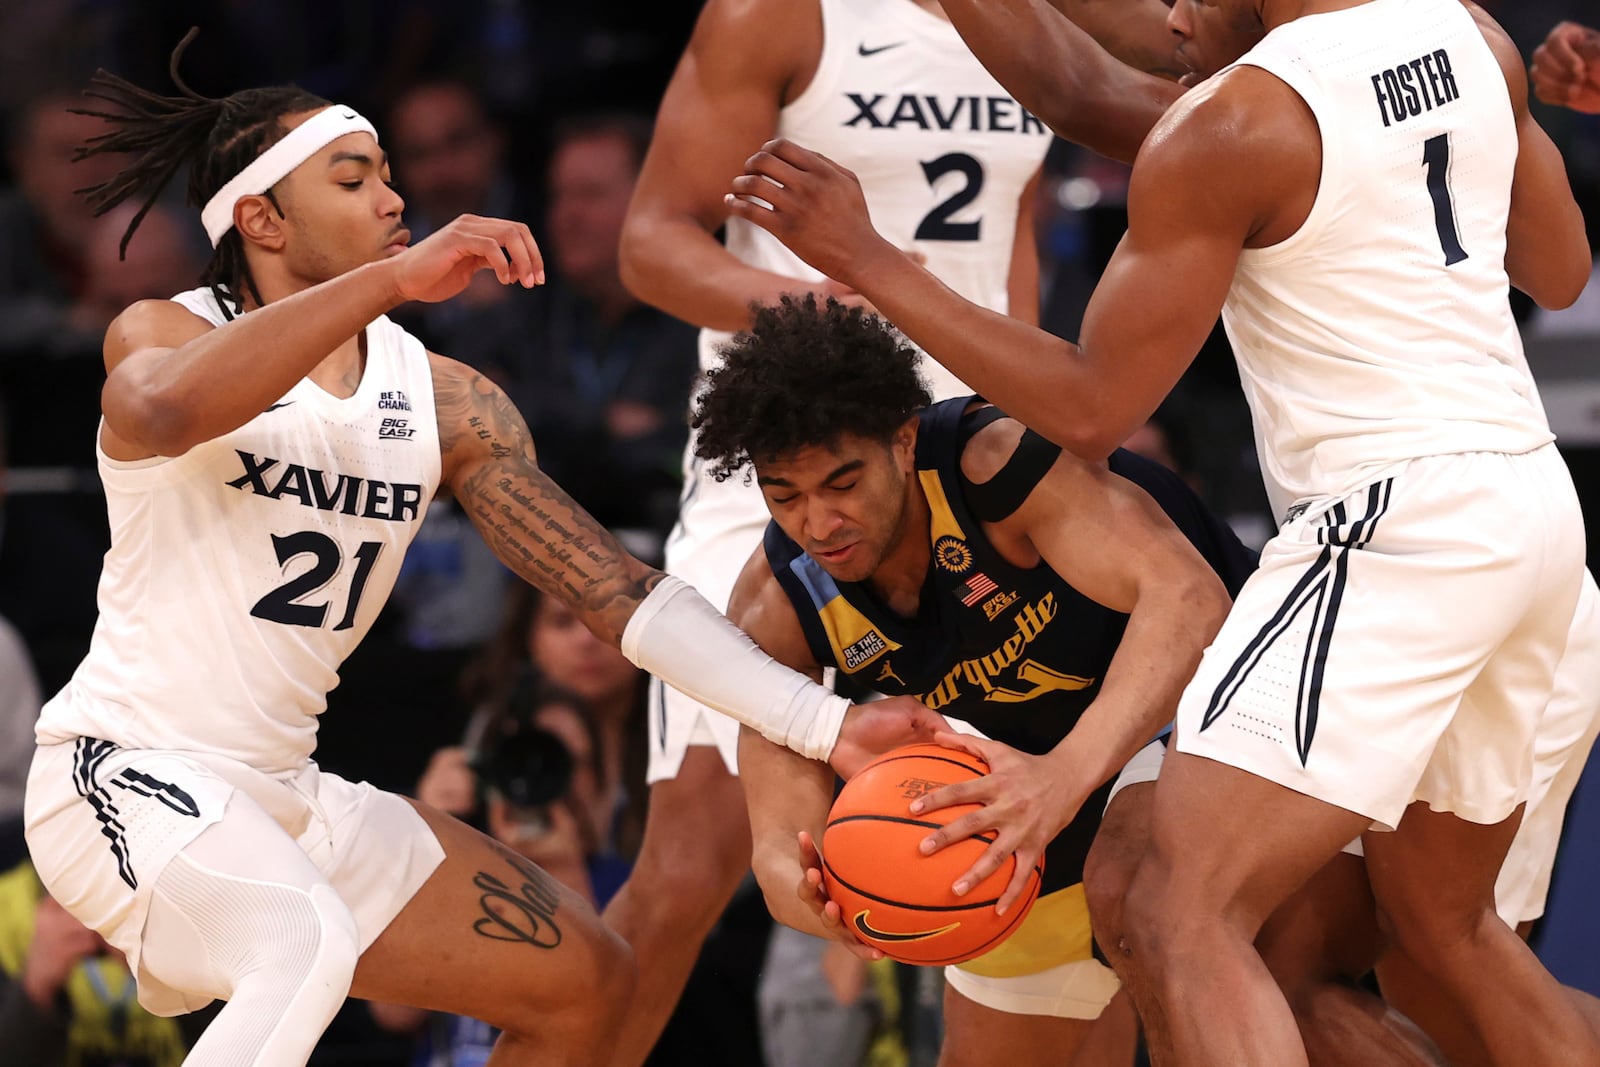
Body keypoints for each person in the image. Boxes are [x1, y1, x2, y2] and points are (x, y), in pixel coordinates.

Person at [21, 35, 944, 1067]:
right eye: (352, 175)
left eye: (385, 173)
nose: (390, 198)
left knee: (587, 980)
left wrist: (829, 724)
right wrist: (391, 283)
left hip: (284, 792)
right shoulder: (164, 328)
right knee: (301, 942)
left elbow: (617, 594)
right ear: (261, 218)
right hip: (124, 771)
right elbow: (158, 404)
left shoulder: (448, 400)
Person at [723, 0, 1598, 1063]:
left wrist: (870, 258)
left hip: (1394, 526)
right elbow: (1557, 272)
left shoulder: (1236, 122)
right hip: (1535, 511)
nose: (1170, 11)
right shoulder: (1469, 32)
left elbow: (1093, 408)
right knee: (1444, 934)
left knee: (1177, 903)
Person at [610, 2, 1054, 1060]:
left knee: (1033, 871)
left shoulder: (1043, 23)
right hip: (799, 460)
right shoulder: (780, 14)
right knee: (692, 866)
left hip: (965, 466)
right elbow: (652, 241)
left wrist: (1045, 435)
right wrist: (821, 313)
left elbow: (1012, 255)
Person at [695, 293, 1253, 1065]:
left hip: (1215, 704)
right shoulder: (783, 592)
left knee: (1139, 894)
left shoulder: (993, 466)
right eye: (786, 496)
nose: (819, 522)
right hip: (1041, 775)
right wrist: (813, 884)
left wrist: (1063, 777)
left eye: (842, 483)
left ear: (901, 440)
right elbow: (778, 816)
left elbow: (1190, 602)